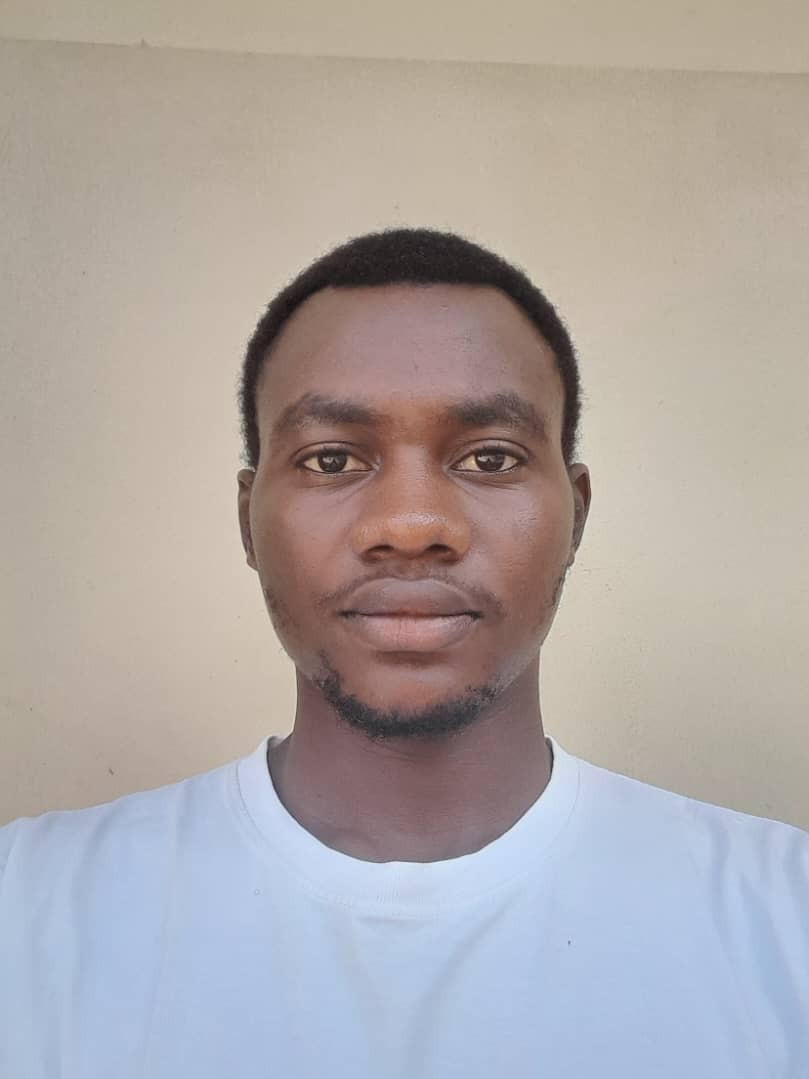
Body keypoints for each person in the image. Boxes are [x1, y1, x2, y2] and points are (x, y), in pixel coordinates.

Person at [1, 229, 806, 1078]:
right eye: (331, 459)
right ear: (247, 520)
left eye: (489, 457)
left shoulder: (782, 917)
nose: (411, 524)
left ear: (575, 515)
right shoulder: (27, 906)